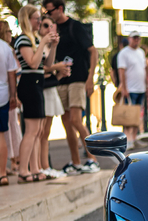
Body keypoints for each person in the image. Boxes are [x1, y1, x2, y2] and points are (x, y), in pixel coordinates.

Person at [43, 0, 100, 175]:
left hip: (78, 79)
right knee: (66, 123)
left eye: (50, 11)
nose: (48, 14)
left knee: (76, 120)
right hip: (61, 81)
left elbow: (93, 51)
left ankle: (93, 159)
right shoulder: (53, 30)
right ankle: (76, 162)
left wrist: (90, 78)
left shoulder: (75, 26)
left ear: (60, 9)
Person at [15, 5, 59, 183]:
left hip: (37, 84)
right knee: (32, 130)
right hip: (29, 85)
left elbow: (46, 65)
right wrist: (42, 42)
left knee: (38, 129)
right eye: (36, 18)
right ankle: (22, 170)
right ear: (27, 19)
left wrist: (53, 46)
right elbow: (32, 64)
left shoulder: (33, 39)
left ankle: (34, 168)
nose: (39, 22)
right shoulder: (23, 40)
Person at [39, 15, 69, 179]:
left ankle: (45, 166)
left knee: (45, 132)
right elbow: (41, 69)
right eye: (45, 26)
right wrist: (56, 67)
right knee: (41, 133)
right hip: (41, 92)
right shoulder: (38, 45)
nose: (48, 29)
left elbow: (50, 76)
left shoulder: (49, 47)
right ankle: (43, 166)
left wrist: (60, 74)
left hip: (49, 90)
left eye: (51, 26)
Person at [118, 30, 148, 150]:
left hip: (140, 88)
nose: (136, 40)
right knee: (128, 116)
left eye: (138, 38)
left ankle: (134, 138)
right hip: (130, 88)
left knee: (137, 115)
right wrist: (124, 87)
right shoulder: (124, 53)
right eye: (134, 38)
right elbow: (121, 71)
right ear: (129, 39)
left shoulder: (141, 52)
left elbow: (144, 69)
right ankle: (127, 140)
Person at [0, 20, 22, 177]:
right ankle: (2, 173)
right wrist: (13, 95)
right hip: (3, 95)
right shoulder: (5, 49)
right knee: (2, 133)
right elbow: (11, 75)